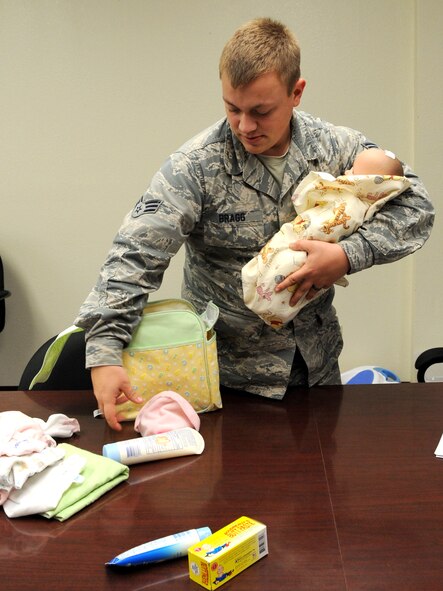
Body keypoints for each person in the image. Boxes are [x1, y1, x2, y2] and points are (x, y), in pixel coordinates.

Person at [74, 17, 434, 430]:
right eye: (232, 108)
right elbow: (135, 255)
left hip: (315, 374)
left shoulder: (335, 147)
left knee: (321, 492)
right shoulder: (197, 166)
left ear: (296, 92)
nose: (245, 126)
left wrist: (347, 256)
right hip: (225, 381)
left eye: (261, 111)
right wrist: (103, 351)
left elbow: (416, 208)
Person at [242, 148, 409, 328]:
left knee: (284, 275)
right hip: (241, 335)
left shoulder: (350, 203)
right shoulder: (363, 207)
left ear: (365, 183)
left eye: (352, 172)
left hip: (315, 327)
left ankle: (266, 300)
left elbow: (312, 214)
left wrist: (343, 256)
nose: (346, 172)